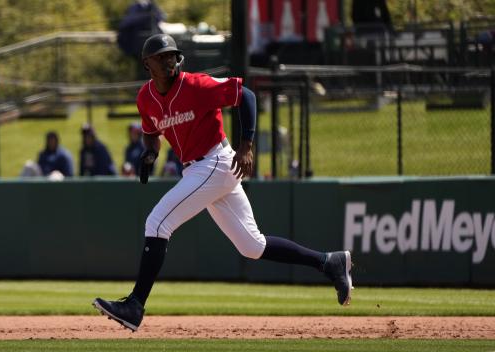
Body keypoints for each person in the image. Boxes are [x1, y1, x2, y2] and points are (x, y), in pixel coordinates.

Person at [92, 34, 353, 332]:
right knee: (252, 246)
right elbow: (151, 129)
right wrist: (150, 153)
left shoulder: (195, 85)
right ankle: (328, 262)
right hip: (197, 169)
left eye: (171, 55)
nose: (168, 60)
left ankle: (135, 305)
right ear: (147, 63)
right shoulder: (146, 97)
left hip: (215, 160)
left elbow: (247, 96)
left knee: (157, 223)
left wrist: (246, 145)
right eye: (161, 56)